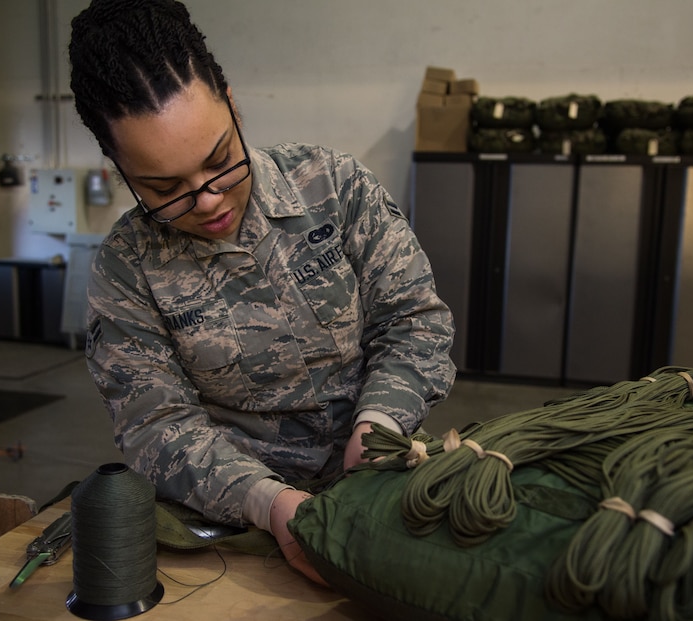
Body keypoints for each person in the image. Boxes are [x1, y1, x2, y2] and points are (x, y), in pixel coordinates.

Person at [69, 0, 455, 584]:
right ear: (118, 165)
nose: (207, 200)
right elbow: (156, 426)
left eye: (220, 161)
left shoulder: (333, 188)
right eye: (164, 187)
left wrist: (380, 427)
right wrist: (268, 503)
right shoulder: (127, 270)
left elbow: (414, 322)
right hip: (235, 521)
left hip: (383, 475)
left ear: (232, 102)